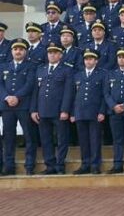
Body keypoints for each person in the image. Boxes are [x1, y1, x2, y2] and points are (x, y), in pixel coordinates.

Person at [30, 42, 74, 175]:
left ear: (60, 55)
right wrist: (34, 110)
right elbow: (36, 91)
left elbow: (68, 92)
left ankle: (60, 165)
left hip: (58, 111)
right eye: (50, 52)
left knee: (62, 139)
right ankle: (50, 166)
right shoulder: (41, 69)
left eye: (55, 53)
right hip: (43, 110)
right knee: (46, 140)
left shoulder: (67, 70)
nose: (52, 55)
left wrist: (65, 110)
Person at [0, 39, 36, 175]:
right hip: (7, 106)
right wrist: (6, 97)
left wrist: (17, 97)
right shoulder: (3, 66)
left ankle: (29, 165)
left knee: (29, 136)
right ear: (11, 51)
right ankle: (9, 166)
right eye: (15, 49)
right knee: (8, 137)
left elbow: (30, 84)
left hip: (24, 106)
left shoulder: (31, 66)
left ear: (25, 52)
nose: (18, 52)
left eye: (21, 49)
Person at [71, 49, 107, 175]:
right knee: (83, 140)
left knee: (95, 140)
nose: (88, 61)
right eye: (86, 59)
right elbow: (73, 95)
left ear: (96, 61)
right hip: (80, 112)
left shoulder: (102, 74)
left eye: (91, 59)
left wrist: (102, 111)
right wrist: (73, 113)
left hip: (95, 112)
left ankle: (95, 165)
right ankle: (85, 164)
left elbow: (104, 95)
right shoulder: (78, 75)